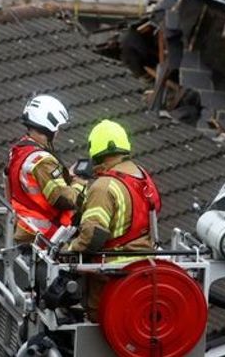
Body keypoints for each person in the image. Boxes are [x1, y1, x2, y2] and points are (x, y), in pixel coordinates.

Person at [67, 119, 162, 320]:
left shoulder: (104, 187)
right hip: (143, 277)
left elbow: (92, 236)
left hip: (110, 283)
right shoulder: (142, 176)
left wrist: (68, 250)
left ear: (98, 154)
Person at [5, 95, 86, 245]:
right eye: (58, 128)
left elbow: (37, 185)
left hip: (25, 231)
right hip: (45, 237)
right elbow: (63, 199)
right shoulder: (43, 161)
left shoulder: (19, 151)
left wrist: (65, 175)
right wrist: (80, 184)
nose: (58, 133)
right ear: (49, 125)